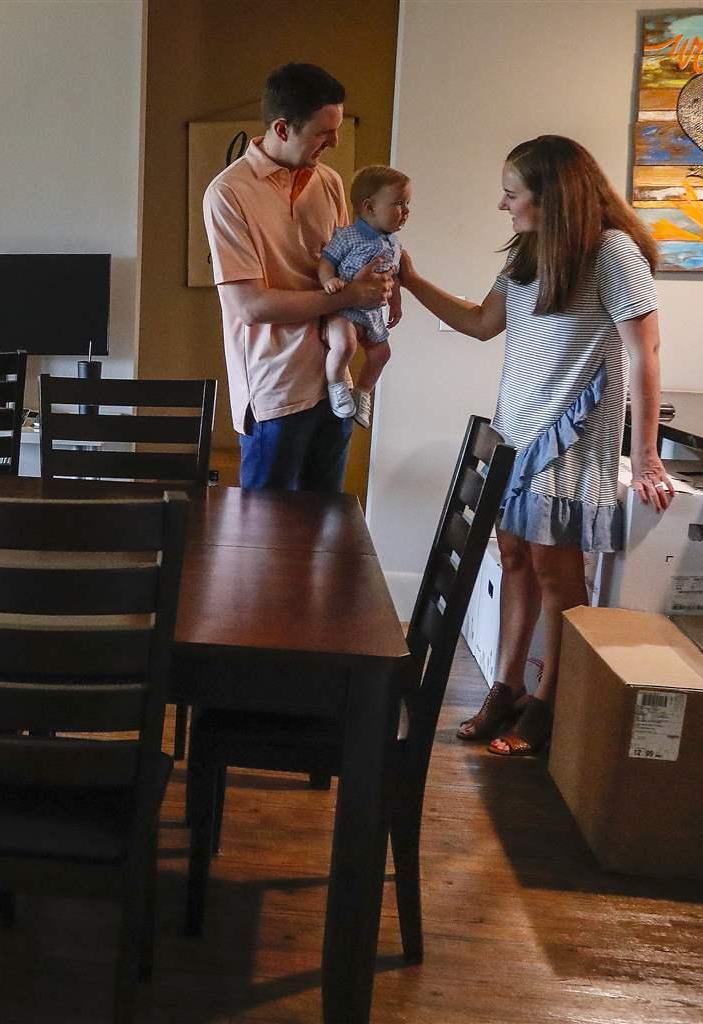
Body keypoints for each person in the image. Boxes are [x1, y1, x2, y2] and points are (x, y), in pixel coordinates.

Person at [398, 134, 675, 756]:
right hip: (516, 431)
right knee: (515, 558)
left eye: (512, 192)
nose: (503, 204)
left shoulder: (611, 251)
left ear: (553, 198)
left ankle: (550, 700)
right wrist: (412, 282)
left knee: (556, 568)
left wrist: (649, 453)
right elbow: (479, 322)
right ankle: (506, 688)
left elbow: (645, 351)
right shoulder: (526, 256)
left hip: (572, 435)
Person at [203, 62, 394, 491]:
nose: (335, 140)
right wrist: (349, 298)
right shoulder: (228, 193)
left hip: (334, 385)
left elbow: (347, 264)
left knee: (322, 537)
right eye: (324, 131)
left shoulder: (328, 181)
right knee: (264, 542)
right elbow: (250, 307)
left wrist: (382, 282)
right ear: (283, 129)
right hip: (277, 392)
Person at [318, 165, 409, 426]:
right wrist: (330, 281)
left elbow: (395, 276)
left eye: (407, 204)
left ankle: (362, 391)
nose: (406, 212)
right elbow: (326, 261)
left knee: (382, 353)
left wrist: (396, 302)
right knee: (344, 345)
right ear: (369, 208)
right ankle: (336, 384)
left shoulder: (394, 244)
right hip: (344, 309)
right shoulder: (348, 236)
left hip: (371, 313)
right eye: (399, 204)